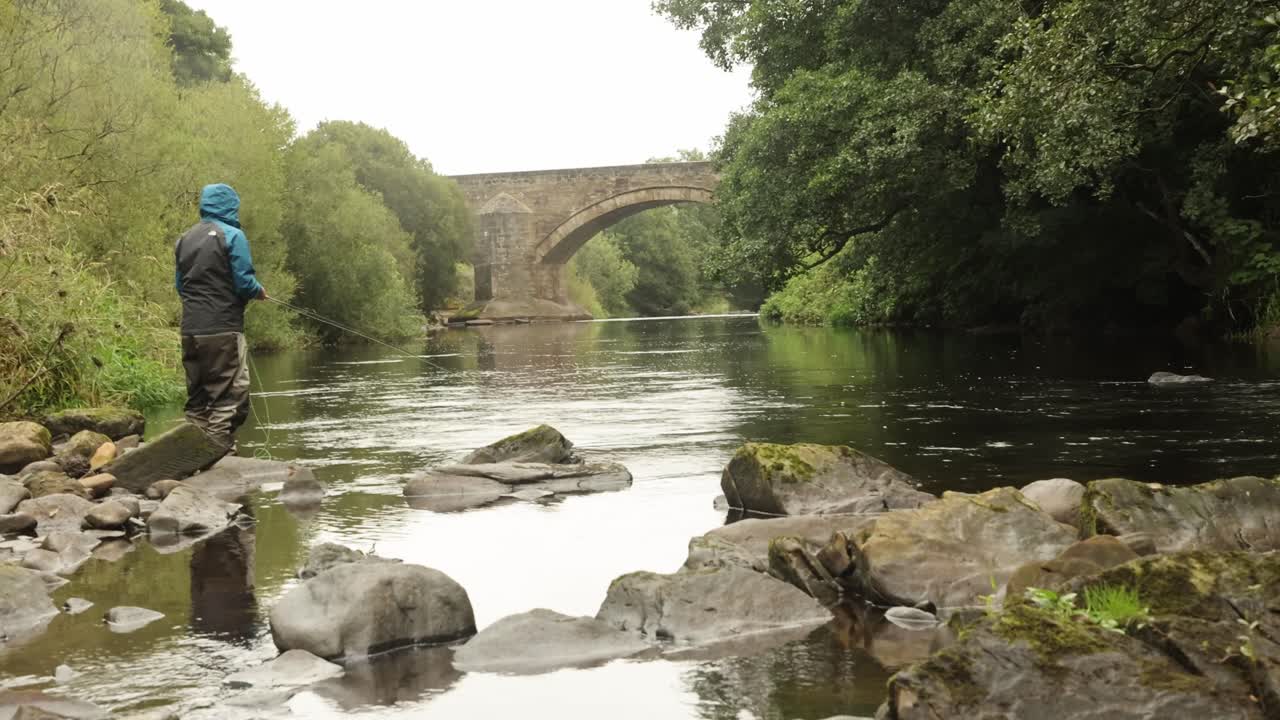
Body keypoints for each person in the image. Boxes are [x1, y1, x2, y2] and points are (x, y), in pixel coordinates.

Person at [174, 183, 268, 453]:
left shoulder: (184, 238)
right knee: (228, 396)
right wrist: (258, 291)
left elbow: (181, 286)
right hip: (223, 328)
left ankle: (192, 454)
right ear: (231, 205)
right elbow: (243, 282)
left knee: (198, 398)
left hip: (190, 330)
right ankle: (218, 453)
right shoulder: (233, 235)